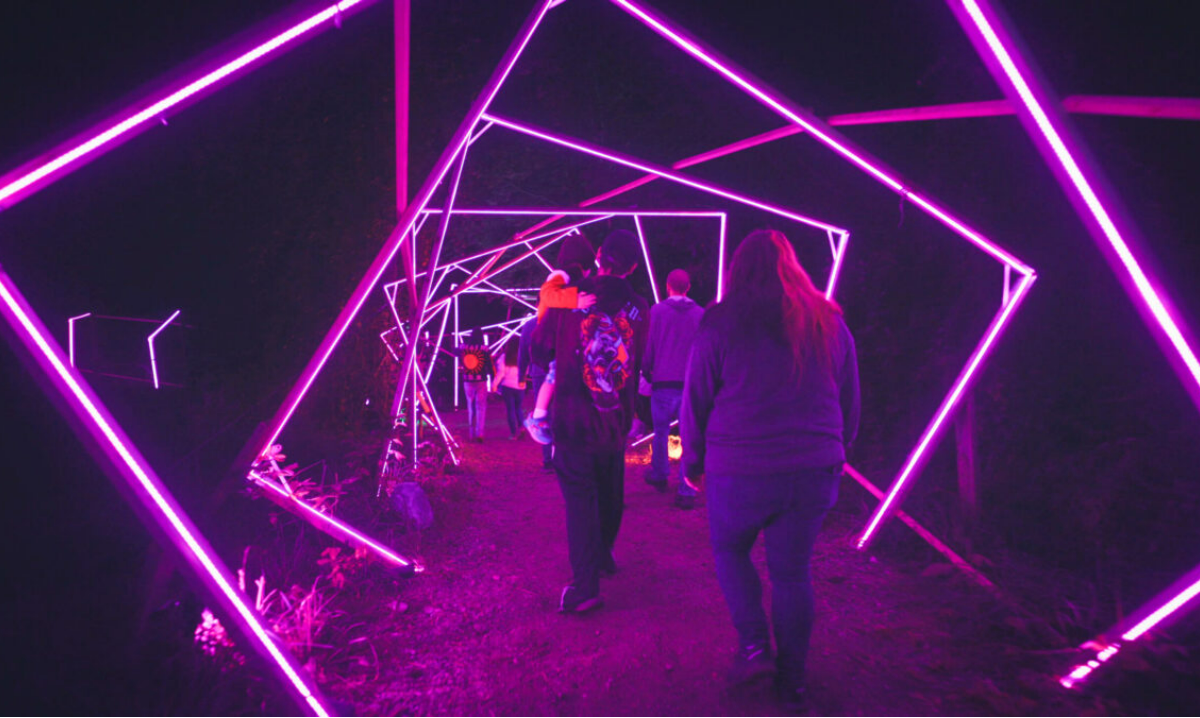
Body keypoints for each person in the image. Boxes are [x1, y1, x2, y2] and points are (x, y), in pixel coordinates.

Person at [681, 229, 860, 712]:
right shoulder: (827, 320)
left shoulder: (720, 322)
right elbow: (849, 398)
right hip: (813, 468)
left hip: (738, 467)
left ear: (738, 269)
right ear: (792, 265)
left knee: (729, 549)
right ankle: (794, 682)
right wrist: (837, 449)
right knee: (793, 574)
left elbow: (696, 397)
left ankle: (755, 646)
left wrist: (692, 460)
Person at [533, 229, 649, 614]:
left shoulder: (573, 295)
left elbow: (539, 346)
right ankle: (603, 555)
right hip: (614, 420)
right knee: (611, 492)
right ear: (633, 267)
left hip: (573, 421)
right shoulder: (641, 308)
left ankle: (585, 586)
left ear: (600, 256)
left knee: (581, 501)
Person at [524, 233, 597, 445]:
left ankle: (541, 416)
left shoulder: (567, 281)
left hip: (555, 340)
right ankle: (537, 416)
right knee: (554, 375)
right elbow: (547, 295)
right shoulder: (559, 277)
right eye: (587, 267)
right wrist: (574, 300)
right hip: (548, 340)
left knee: (556, 375)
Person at [642, 268, 705, 508]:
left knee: (660, 432)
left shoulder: (657, 312)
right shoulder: (700, 315)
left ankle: (660, 474)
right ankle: (686, 489)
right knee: (689, 437)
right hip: (689, 384)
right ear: (688, 287)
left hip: (662, 380)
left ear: (668, 286)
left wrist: (647, 369)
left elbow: (650, 344)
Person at [457, 328, 495, 443]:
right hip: (481, 380)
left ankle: (471, 432)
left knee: (470, 406)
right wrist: (493, 378)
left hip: (467, 380)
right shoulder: (484, 349)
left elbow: (455, 352)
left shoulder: (464, 348)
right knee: (481, 407)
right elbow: (489, 365)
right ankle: (480, 433)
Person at [493, 338, 526, 439]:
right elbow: (526, 371)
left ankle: (513, 433)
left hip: (507, 386)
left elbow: (500, 373)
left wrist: (494, 385)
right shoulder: (523, 357)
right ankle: (522, 427)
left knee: (510, 409)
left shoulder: (504, 357)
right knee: (518, 408)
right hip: (520, 386)